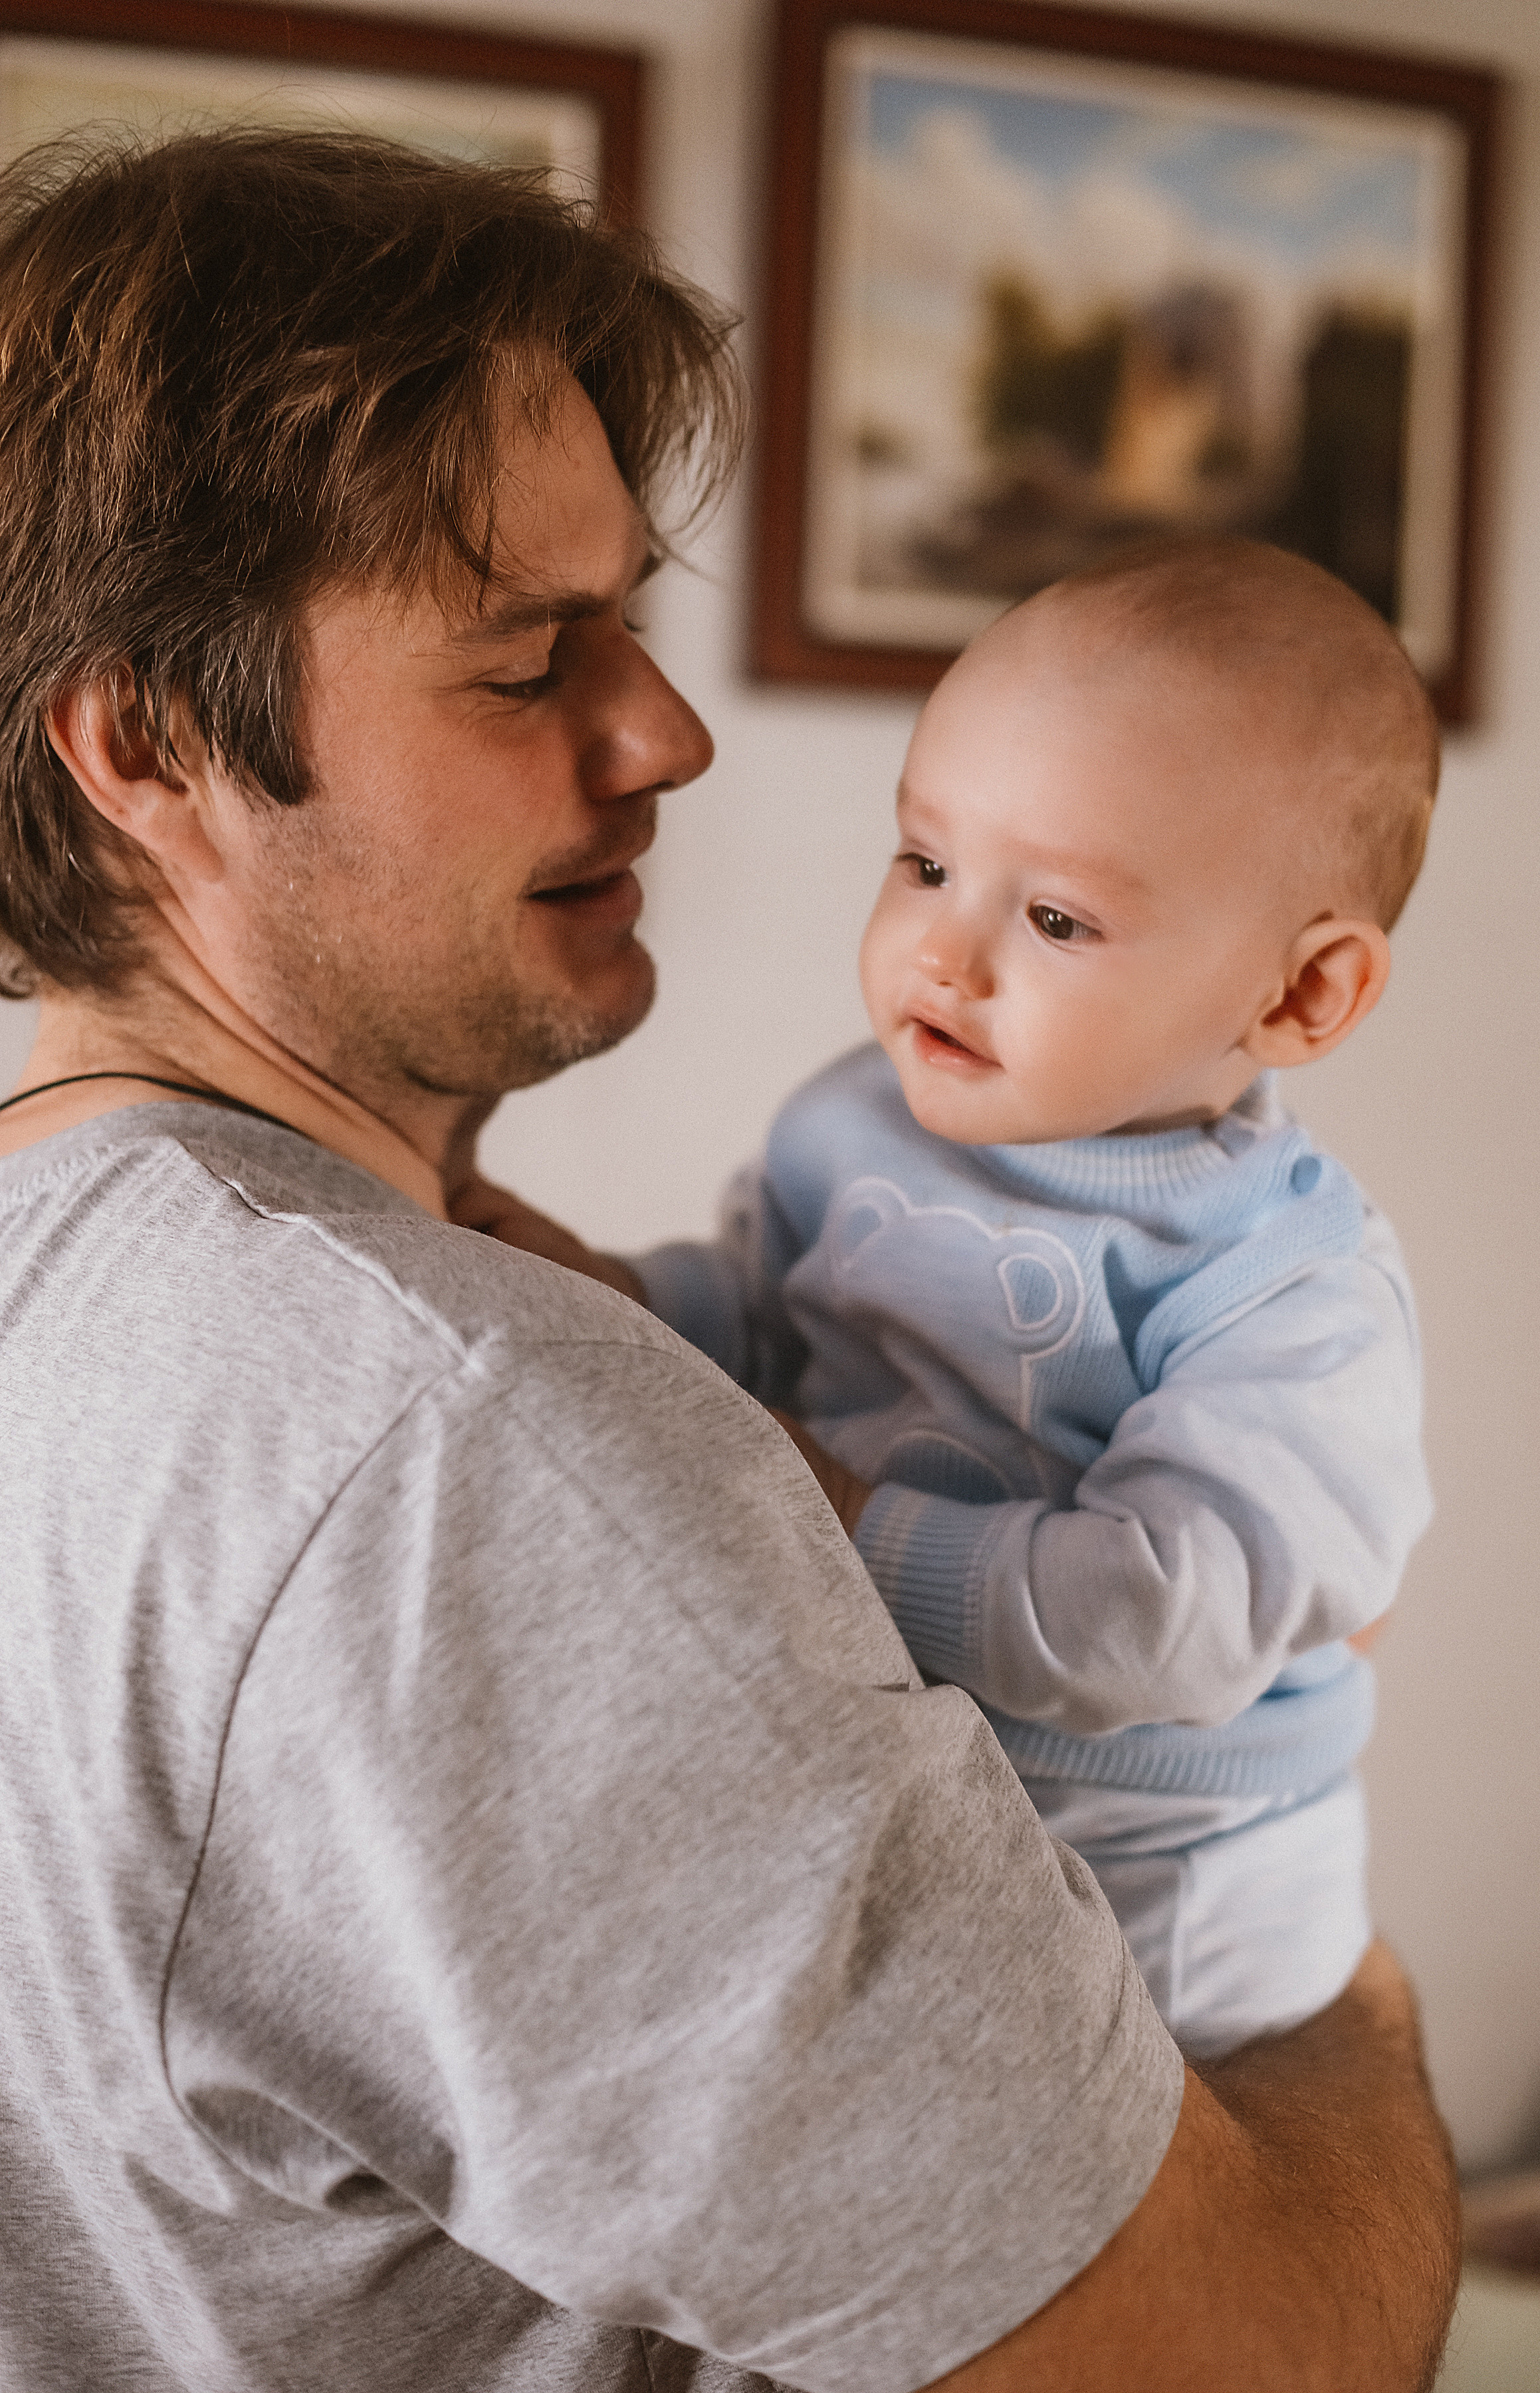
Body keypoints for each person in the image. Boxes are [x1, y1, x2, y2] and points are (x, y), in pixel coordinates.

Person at [0, 130, 1458, 2392]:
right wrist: (1355, 2018)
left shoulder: (78, 1275)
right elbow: (1247, 2355)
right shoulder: (460, 1449)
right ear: (150, 744)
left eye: (637, 627)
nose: (664, 734)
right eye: (523, 663)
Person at [496, 542, 1434, 2060]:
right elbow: (760, 1316)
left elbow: (1157, 1626)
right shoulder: (857, 1120)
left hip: (1171, 1871)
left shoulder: (1287, 1287)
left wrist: (845, 1520)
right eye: (927, 863)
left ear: (1298, 995)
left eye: (1057, 920)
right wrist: (605, 1292)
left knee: (1116, 2225)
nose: (944, 947)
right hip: (918, 1797)